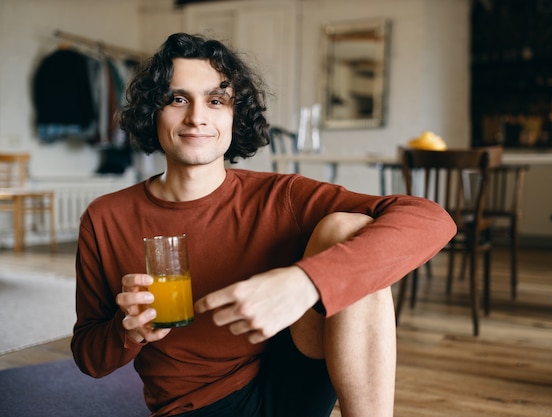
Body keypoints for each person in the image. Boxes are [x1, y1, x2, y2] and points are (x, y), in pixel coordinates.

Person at [71, 33, 456, 417]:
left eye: (216, 100)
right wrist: (129, 330)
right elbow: (89, 358)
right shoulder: (106, 218)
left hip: (293, 384)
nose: (197, 117)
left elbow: (433, 220)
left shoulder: (281, 196)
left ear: (234, 115)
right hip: (193, 408)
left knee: (347, 229)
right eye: (177, 99)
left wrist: (305, 282)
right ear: (153, 111)